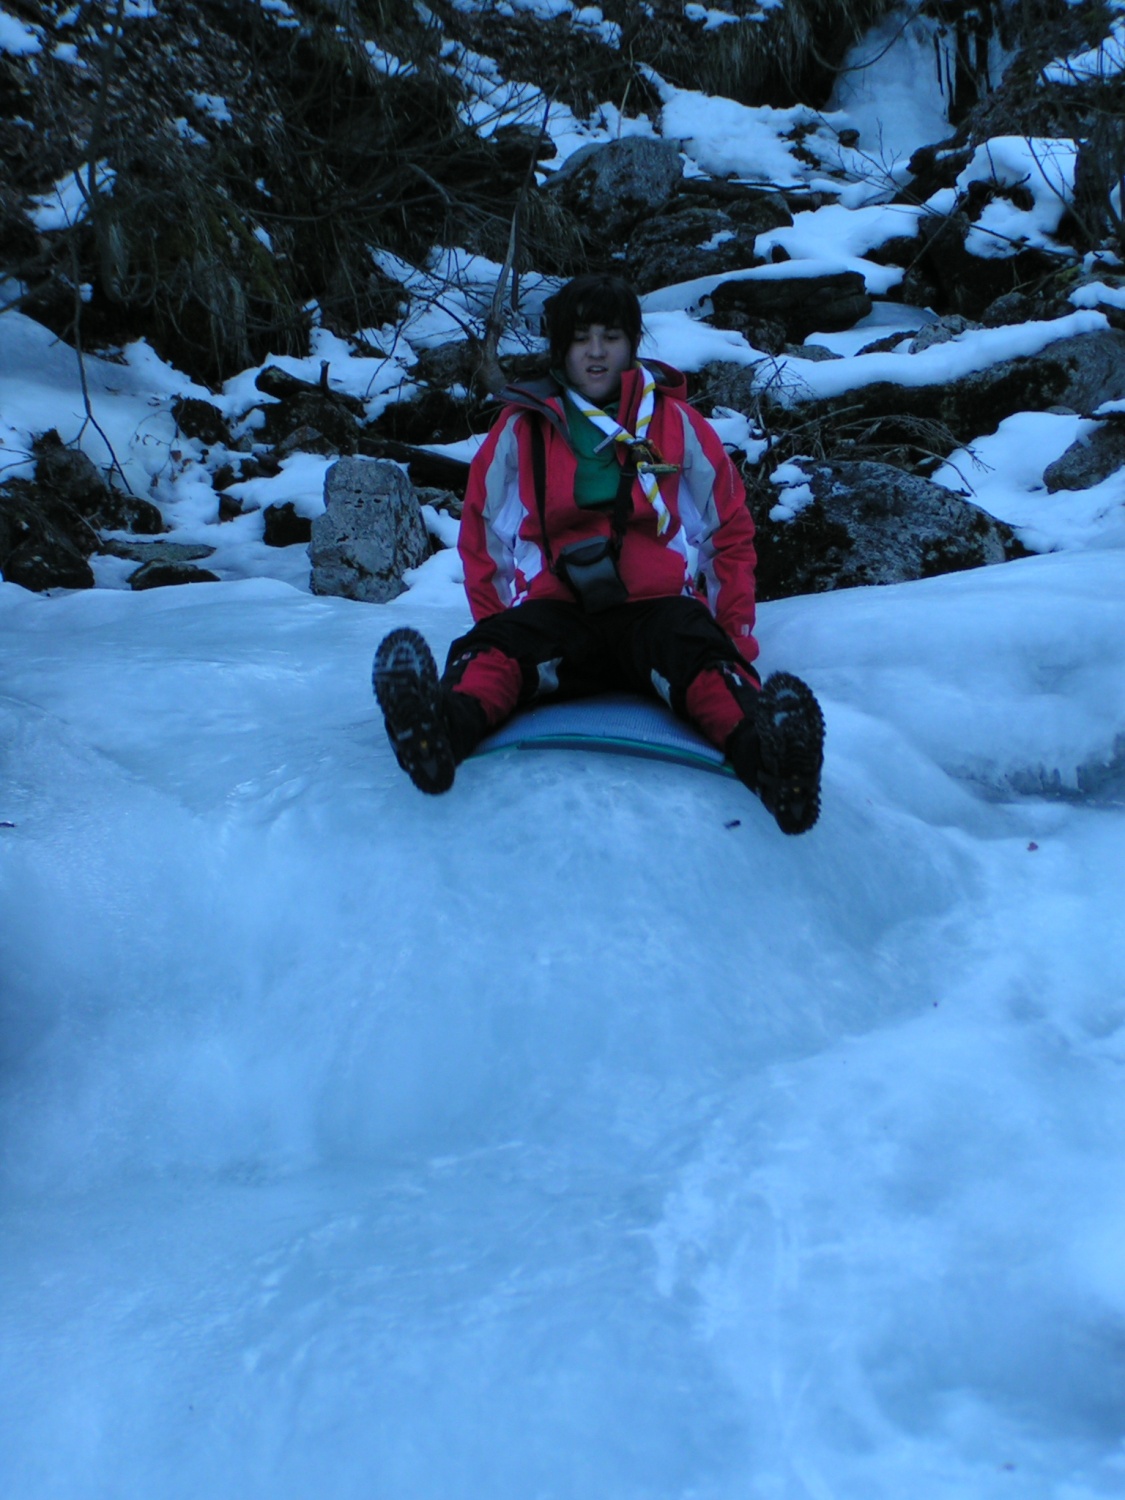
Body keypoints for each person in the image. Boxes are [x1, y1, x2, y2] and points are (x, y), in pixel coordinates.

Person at [372, 274, 824, 833]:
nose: (595, 350)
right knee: (495, 654)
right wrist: (496, 621)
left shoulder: (674, 422)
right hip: (559, 614)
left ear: (632, 344)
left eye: (610, 336)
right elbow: (481, 525)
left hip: (655, 610)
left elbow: (726, 526)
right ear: (560, 347)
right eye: (581, 336)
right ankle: (437, 734)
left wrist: (733, 635)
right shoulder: (524, 425)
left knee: (704, 661)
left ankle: (778, 765)